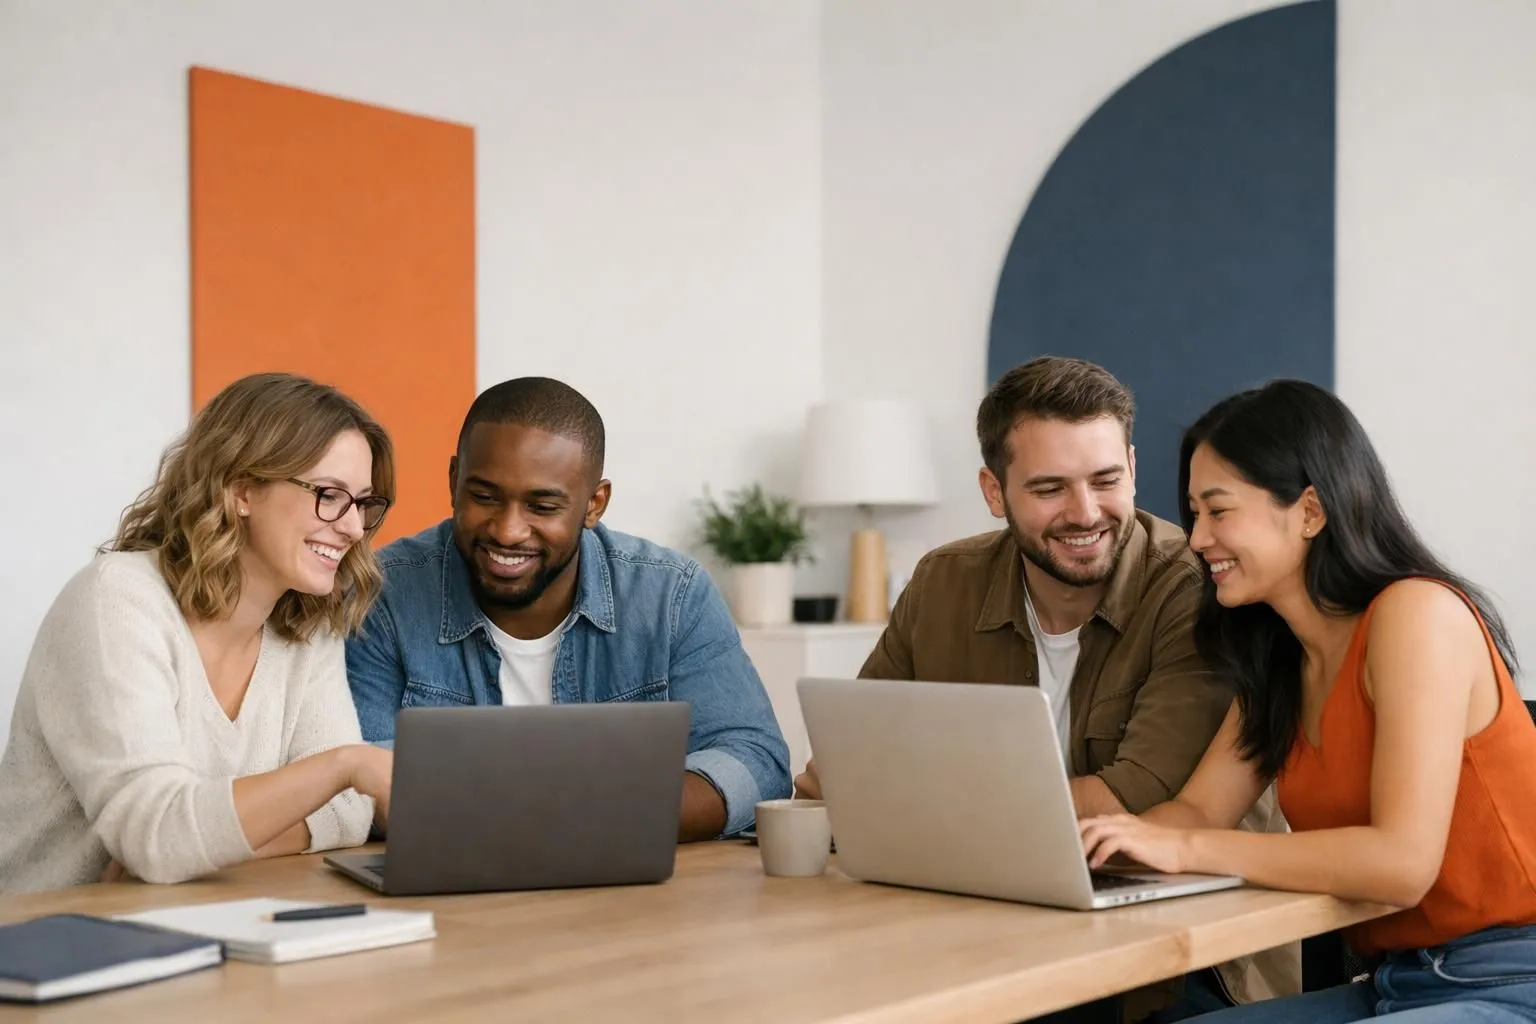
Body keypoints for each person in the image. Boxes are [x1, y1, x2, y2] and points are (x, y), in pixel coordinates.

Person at [793, 356, 1292, 1020]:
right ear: (994, 492)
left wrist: (909, 804)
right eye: (1049, 488)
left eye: (1106, 480)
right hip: (974, 925)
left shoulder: (1195, 588)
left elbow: (1135, 805)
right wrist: (879, 795)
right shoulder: (943, 583)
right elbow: (844, 769)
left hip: (1177, 955)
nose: (1085, 513)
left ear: (1133, 469)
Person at [1079, 379, 1536, 1022]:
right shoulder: (1281, 660)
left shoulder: (1417, 615)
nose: (1198, 538)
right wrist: (1097, 849)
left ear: (1311, 512)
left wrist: (1185, 851)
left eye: (1219, 511)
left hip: (1512, 978)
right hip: (1399, 981)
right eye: (1194, 514)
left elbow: (1402, 865)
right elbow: (1198, 810)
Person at [346, 376, 791, 843]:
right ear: (455, 481)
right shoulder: (381, 593)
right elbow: (357, 779)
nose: (508, 531)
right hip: (450, 884)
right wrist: (561, 813)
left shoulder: (671, 595)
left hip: (629, 881)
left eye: (542, 506)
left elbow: (755, 760)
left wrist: (587, 817)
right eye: (485, 497)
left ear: (594, 504)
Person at [0, 373, 395, 893]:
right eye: (329, 494)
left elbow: (348, 813)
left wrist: (191, 851)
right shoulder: (115, 601)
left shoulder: (307, 623)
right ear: (242, 490)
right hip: (46, 927)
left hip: (195, 914)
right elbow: (158, 836)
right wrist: (345, 765)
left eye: (362, 503)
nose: (352, 527)